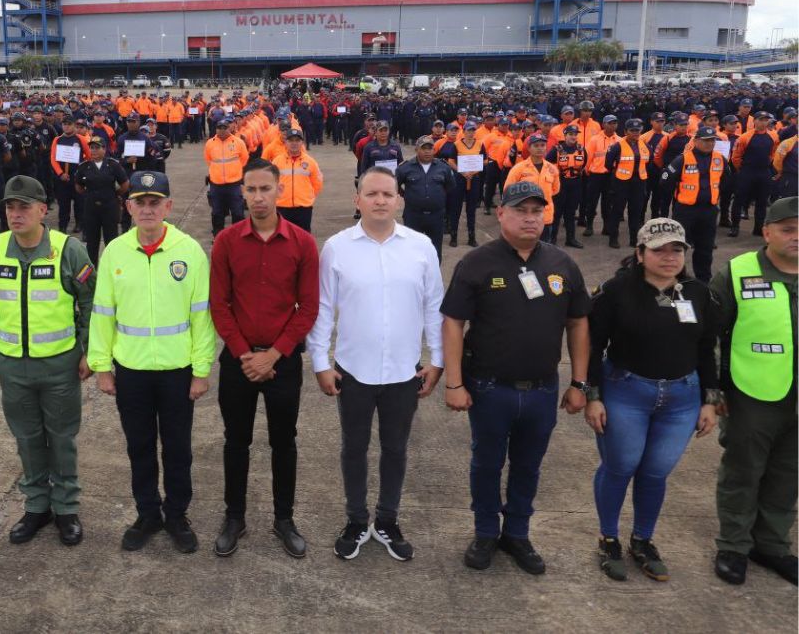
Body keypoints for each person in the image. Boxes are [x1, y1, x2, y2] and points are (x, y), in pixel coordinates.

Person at [441, 181, 590, 575]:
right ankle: (487, 531)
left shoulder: (562, 264)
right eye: (521, 210)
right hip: (489, 389)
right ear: (501, 214)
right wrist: (454, 383)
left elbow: (577, 324)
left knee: (529, 465)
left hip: (542, 390)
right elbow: (454, 323)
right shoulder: (477, 263)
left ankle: (518, 533)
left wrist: (579, 384)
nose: (529, 218)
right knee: (486, 463)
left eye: (536, 211)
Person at [307, 165, 444, 562]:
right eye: (372, 194)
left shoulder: (420, 247)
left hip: (405, 371)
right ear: (358, 200)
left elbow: (433, 307)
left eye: (387, 194)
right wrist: (320, 361)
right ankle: (355, 518)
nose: (380, 201)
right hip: (353, 370)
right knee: (353, 447)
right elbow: (323, 309)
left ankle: (387, 519)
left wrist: (436, 360)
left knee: (396, 448)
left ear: (400, 200)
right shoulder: (337, 247)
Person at [585, 218, 721, 581]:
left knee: (656, 471)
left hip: (681, 400)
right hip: (627, 391)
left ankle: (643, 540)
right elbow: (593, 345)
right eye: (659, 250)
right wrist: (592, 395)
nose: (669, 257)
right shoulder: (615, 291)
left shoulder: (698, 293)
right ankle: (608, 537)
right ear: (640, 253)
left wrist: (710, 398)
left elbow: (707, 349)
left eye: (677, 250)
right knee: (620, 465)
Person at [88, 170, 216, 554]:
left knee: (178, 449)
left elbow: (201, 315)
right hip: (132, 371)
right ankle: (148, 513)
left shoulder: (189, 251)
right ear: (127, 208)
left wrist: (201, 369)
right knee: (139, 447)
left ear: (168, 206)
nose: (147, 209)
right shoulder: (115, 252)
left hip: (177, 372)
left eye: (154, 202)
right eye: (140, 202)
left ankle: (176, 514)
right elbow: (102, 313)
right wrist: (101, 366)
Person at [0, 175, 96, 547]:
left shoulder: (68, 249)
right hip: (12, 366)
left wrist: (90, 350)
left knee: (61, 439)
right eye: (10, 207)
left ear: (43, 210)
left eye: (24, 207)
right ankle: (37, 506)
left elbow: (90, 303)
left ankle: (67, 508)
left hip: (59, 365)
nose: (15, 214)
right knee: (27, 439)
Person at [209, 158, 319, 558]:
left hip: (282, 362)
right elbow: (219, 306)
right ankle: (234, 516)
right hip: (238, 361)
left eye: (265, 189)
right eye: (251, 190)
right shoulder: (226, 241)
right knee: (235, 441)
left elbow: (307, 308)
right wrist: (244, 355)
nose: (258, 197)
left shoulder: (302, 242)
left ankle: (283, 519)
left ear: (279, 191)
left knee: (283, 441)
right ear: (242, 192)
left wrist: (273, 355)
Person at [711, 196, 797, 586]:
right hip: (751, 393)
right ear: (766, 232)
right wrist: (714, 392)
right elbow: (709, 336)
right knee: (743, 472)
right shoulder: (738, 272)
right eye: (787, 229)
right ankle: (734, 545)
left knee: (788, 473)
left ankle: (772, 545)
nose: (796, 238)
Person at [660, 126, 724, 282]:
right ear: (695, 141)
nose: (709, 144)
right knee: (679, 247)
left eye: (712, 140)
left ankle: (703, 281)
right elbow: (665, 181)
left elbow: (726, 180)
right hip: (686, 211)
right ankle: (676, 279)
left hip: (709, 210)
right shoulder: (682, 159)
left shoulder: (720, 159)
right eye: (705, 140)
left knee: (705, 248)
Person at [395, 136, 454, 260]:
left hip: (436, 217)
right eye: (423, 148)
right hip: (413, 216)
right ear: (416, 150)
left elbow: (450, 186)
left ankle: (433, 278)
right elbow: (395, 185)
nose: (427, 151)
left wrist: (437, 197)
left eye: (430, 148)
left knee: (435, 252)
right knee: (412, 251)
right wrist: (406, 195)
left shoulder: (443, 167)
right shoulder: (405, 168)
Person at [73, 137, 128, 265]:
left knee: (111, 240)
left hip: (109, 207)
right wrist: (90, 195)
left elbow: (125, 184)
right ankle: (92, 270)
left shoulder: (113, 165)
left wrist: (114, 195)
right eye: (92, 147)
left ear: (104, 149)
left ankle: (112, 267)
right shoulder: (84, 166)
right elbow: (79, 187)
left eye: (97, 147)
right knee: (92, 242)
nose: (94, 150)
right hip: (91, 209)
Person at [730, 111, 780, 237]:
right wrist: (741, 170)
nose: (763, 122)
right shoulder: (745, 137)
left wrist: (767, 163)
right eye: (761, 120)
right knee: (739, 199)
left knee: (762, 201)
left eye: (766, 120)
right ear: (755, 121)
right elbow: (736, 157)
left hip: (763, 172)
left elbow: (773, 152)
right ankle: (735, 226)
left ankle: (758, 227)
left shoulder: (773, 136)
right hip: (747, 171)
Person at [604, 118, 650, 249]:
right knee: (617, 211)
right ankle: (613, 238)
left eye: (638, 130)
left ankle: (633, 239)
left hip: (639, 182)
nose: (636, 133)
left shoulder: (644, 144)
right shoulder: (617, 146)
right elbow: (608, 164)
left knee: (635, 211)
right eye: (632, 130)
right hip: (621, 182)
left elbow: (649, 160)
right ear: (625, 131)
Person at [505, 135, 561, 243]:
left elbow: (555, 190)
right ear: (529, 148)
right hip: (525, 217)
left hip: (545, 216)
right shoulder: (519, 168)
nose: (540, 148)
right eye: (536, 145)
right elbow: (508, 190)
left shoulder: (552, 169)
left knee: (543, 248)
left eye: (542, 145)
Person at [267, 129, 324, 232]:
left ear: (302, 142)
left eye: (297, 140)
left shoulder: (310, 162)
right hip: (282, 207)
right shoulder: (277, 162)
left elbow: (317, 183)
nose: (294, 143)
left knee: (303, 237)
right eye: (291, 140)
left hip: (303, 208)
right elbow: (270, 183)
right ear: (286, 142)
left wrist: (307, 196)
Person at [440, 121, 486, 248]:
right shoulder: (457, 144)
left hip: (474, 178)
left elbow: (485, 160)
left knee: (471, 209)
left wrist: (473, 171)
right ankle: (454, 237)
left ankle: (472, 237)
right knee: (456, 208)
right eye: (468, 130)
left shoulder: (480, 144)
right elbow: (451, 161)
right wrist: (462, 171)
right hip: (459, 179)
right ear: (464, 131)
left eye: (473, 130)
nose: (471, 133)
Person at [204, 119, 249, 237]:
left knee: (238, 212)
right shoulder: (210, 143)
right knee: (217, 213)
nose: (222, 131)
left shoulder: (238, 142)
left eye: (225, 128)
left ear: (230, 128)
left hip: (233, 185)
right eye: (220, 128)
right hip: (216, 185)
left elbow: (244, 159)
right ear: (216, 129)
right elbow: (209, 160)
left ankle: (237, 236)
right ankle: (218, 235)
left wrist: (234, 171)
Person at [545, 125, 587, 248]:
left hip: (575, 184)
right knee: (557, 213)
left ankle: (571, 239)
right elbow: (546, 164)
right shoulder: (557, 149)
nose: (573, 137)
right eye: (570, 134)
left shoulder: (581, 149)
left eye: (575, 134)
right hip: (560, 184)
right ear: (565, 135)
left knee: (571, 212)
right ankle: (552, 239)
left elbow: (584, 163)